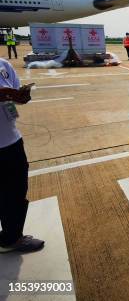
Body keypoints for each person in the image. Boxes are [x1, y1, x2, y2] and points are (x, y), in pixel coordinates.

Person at [0, 58, 44, 253]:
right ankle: (10, 238)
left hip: (11, 140)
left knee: (17, 190)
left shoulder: (4, 65)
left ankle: (12, 235)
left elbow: (16, 95)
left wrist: (22, 96)